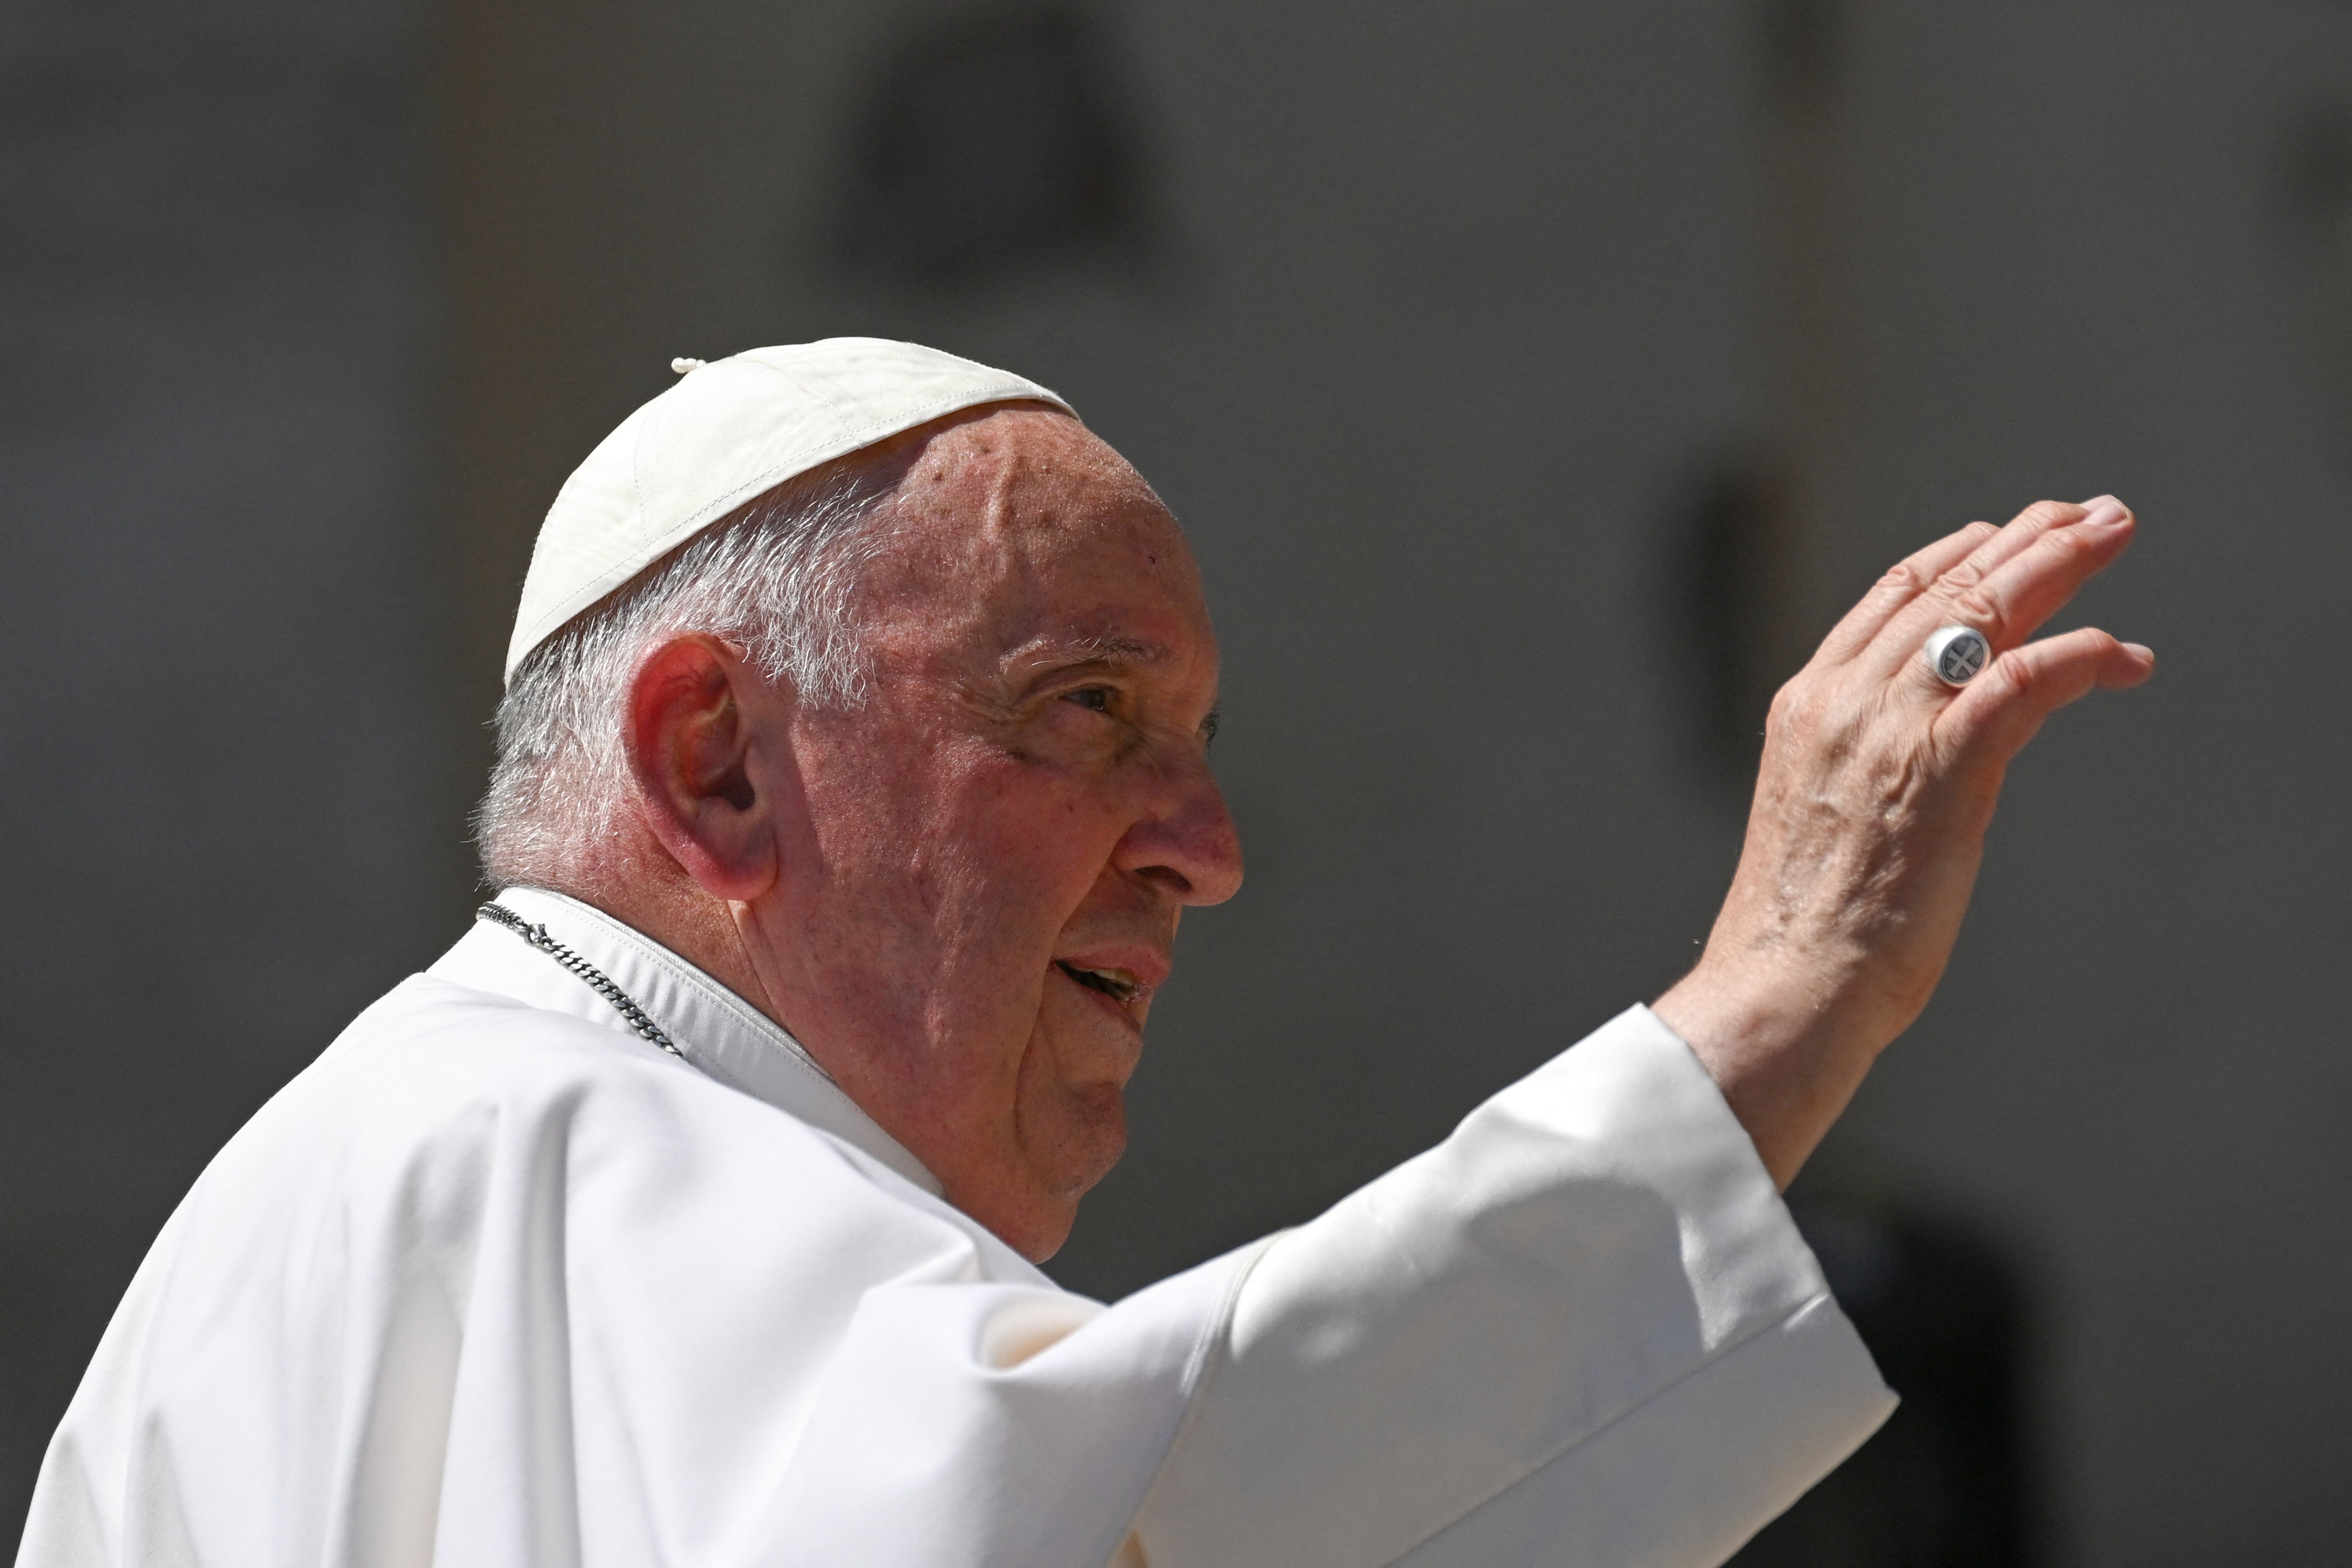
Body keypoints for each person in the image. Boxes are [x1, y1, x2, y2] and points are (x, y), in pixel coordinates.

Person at [14, 340, 2153, 1568]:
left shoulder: (456, 1156)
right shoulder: (541, 1145)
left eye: (1197, 747)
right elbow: (1109, 1521)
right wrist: (1776, 999)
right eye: (1084, 715)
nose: (1205, 854)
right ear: (714, 764)